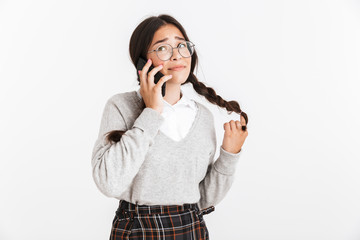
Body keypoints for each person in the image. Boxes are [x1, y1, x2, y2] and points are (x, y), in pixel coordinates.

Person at [91, 14, 249, 240]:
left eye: (181, 45)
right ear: (142, 62)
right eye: (163, 48)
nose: (177, 55)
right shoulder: (121, 106)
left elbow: (201, 198)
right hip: (138, 230)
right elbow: (109, 183)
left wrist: (229, 155)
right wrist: (152, 112)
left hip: (191, 229)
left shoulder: (202, 117)